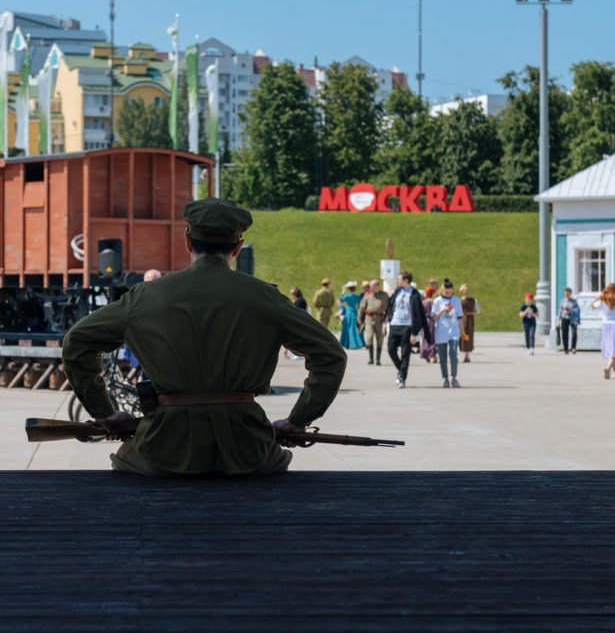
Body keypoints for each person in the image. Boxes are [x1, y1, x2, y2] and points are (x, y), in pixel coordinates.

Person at [62, 198, 346, 477]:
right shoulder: (265, 297)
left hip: (161, 452)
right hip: (248, 452)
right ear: (238, 247)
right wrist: (299, 420)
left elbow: (76, 343)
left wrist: (105, 413)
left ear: (188, 242)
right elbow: (330, 355)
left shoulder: (145, 296)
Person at [385, 270, 427, 389]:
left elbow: (418, 314)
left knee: (405, 354)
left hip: (407, 326)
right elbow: (390, 307)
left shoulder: (414, 294)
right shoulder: (397, 291)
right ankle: (402, 370)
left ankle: (402, 378)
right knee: (391, 349)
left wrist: (415, 333)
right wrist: (385, 322)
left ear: (406, 280)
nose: (398, 280)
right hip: (395, 324)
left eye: (400, 279)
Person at [591, 283, 615, 379]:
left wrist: (599, 297)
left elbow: (592, 306)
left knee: (611, 349)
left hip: (606, 325)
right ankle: (608, 367)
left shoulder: (603, 300)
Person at [431, 279, 465, 387]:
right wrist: (443, 310)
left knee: (453, 353)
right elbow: (434, 317)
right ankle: (445, 378)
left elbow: (460, 318)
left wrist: (463, 332)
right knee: (442, 356)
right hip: (441, 331)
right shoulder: (437, 301)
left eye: (450, 292)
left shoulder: (456, 300)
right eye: (446, 292)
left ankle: (454, 377)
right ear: (442, 290)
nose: (448, 294)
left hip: (453, 331)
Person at [359, 279, 389, 366]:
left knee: (380, 339)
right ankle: (371, 358)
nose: (370, 288)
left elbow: (389, 309)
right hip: (369, 319)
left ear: (377, 286)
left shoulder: (384, 296)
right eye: (370, 287)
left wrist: (387, 317)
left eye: (372, 287)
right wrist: (359, 319)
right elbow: (361, 307)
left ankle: (378, 359)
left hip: (380, 319)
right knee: (369, 337)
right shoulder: (367, 296)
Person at [338, 282, 365, 350]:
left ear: (349, 289)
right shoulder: (357, 296)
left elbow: (341, 299)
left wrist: (343, 291)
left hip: (348, 312)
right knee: (355, 327)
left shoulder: (347, 296)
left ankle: (347, 343)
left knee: (347, 327)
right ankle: (357, 343)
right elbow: (360, 305)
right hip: (354, 312)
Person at [458, 284, 479, 363]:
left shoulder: (472, 300)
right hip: (464, 319)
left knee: (468, 335)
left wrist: (469, 312)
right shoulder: (460, 300)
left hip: (468, 319)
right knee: (464, 335)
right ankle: (465, 352)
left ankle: (467, 354)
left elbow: (477, 310)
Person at [558, 288, 579, 354]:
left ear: (570, 293)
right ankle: (566, 348)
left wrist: (571, 311)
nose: (566, 294)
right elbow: (560, 311)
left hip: (572, 318)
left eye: (567, 293)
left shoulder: (574, 301)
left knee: (574, 333)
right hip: (564, 318)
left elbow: (577, 309)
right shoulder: (562, 301)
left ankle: (573, 347)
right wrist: (558, 320)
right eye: (565, 293)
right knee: (564, 333)